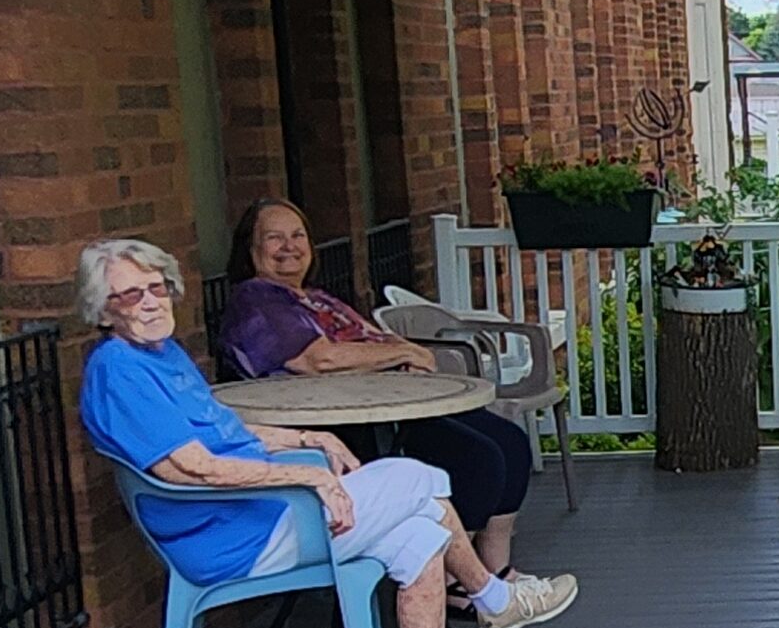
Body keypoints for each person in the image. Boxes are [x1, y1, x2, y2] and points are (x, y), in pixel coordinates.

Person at [75, 238, 568, 628]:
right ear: (104, 311)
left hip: (258, 516)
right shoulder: (120, 372)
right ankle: (492, 598)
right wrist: (309, 475)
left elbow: (227, 432)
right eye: (131, 296)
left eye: (157, 288)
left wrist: (308, 439)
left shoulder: (161, 354)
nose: (151, 302)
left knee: (420, 535)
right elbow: (195, 470)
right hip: (234, 538)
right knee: (418, 479)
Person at [214, 197, 542, 587]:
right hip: (348, 427)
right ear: (250, 251)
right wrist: (402, 351)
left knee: (509, 442)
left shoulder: (315, 298)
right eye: (274, 238)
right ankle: (458, 586)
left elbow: (366, 344)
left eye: (298, 235)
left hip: (390, 404)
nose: (289, 247)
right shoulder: (256, 300)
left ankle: (496, 570)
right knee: (478, 460)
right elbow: (319, 360)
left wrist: (398, 358)